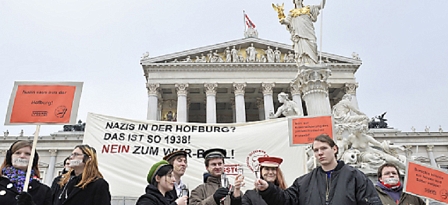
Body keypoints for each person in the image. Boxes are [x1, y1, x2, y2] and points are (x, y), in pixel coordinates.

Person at [255, 134, 382, 205]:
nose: (319, 153)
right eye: (316, 150)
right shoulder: (304, 181)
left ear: (334, 149)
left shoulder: (355, 177)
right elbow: (285, 200)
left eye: (323, 148)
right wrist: (268, 189)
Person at [0, 140, 52, 205]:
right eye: (18, 153)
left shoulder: (43, 190)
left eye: (27, 154)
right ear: (10, 157)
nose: (22, 156)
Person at [280, 0, 326, 65]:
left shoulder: (308, 8)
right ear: (294, 1)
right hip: (299, 35)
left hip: (309, 32)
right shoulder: (292, 13)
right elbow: (287, 22)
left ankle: (313, 63)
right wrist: (282, 20)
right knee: (302, 51)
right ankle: (304, 64)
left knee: (312, 46)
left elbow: (321, 6)